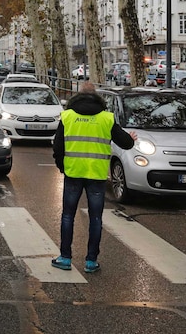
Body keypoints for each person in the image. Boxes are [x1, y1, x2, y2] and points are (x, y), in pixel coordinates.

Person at [51, 82, 137, 273]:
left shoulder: (68, 116)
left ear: (77, 96)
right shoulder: (106, 118)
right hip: (97, 175)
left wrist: (62, 166)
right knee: (96, 218)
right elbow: (126, 143)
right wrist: (131, 138)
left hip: (73, 172)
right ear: (98, 98)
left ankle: (65, 258)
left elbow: (57, 147)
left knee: (67, 215)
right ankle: (91, 261)